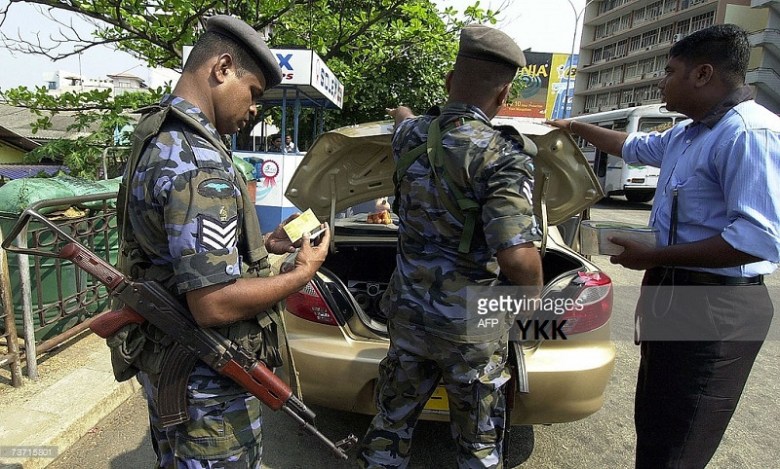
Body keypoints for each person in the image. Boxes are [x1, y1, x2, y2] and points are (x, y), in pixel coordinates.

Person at [548, 24, 780, 469]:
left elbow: (754, 240)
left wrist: (651, 256)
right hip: (675, 292)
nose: (661, 81)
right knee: (655, 423)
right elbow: (632, 146)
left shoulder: (750, 134)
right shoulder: (688, 133)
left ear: (703, 74)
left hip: (716, 305)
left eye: (670, 71)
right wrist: (572, 126)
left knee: (682, 437)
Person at [112, 15, 330, 468]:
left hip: (173, 364)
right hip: (205, 387)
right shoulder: (199, 162)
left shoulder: (158, 135)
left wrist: (262, 247)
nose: (254, 110)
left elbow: (170, 248)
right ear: (222, 67)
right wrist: (303, 272)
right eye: (253, 93)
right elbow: (213, 304)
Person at [358, 24, 543, 468]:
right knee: (477, 446)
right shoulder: (503, 156)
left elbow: (405, 121)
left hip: (408, 317)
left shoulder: (408, 136)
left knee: (391, 424)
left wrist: (403, 111)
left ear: (447, 81)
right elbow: (516, 256)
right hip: (469, 329)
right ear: (503, 96)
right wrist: (532, 301)